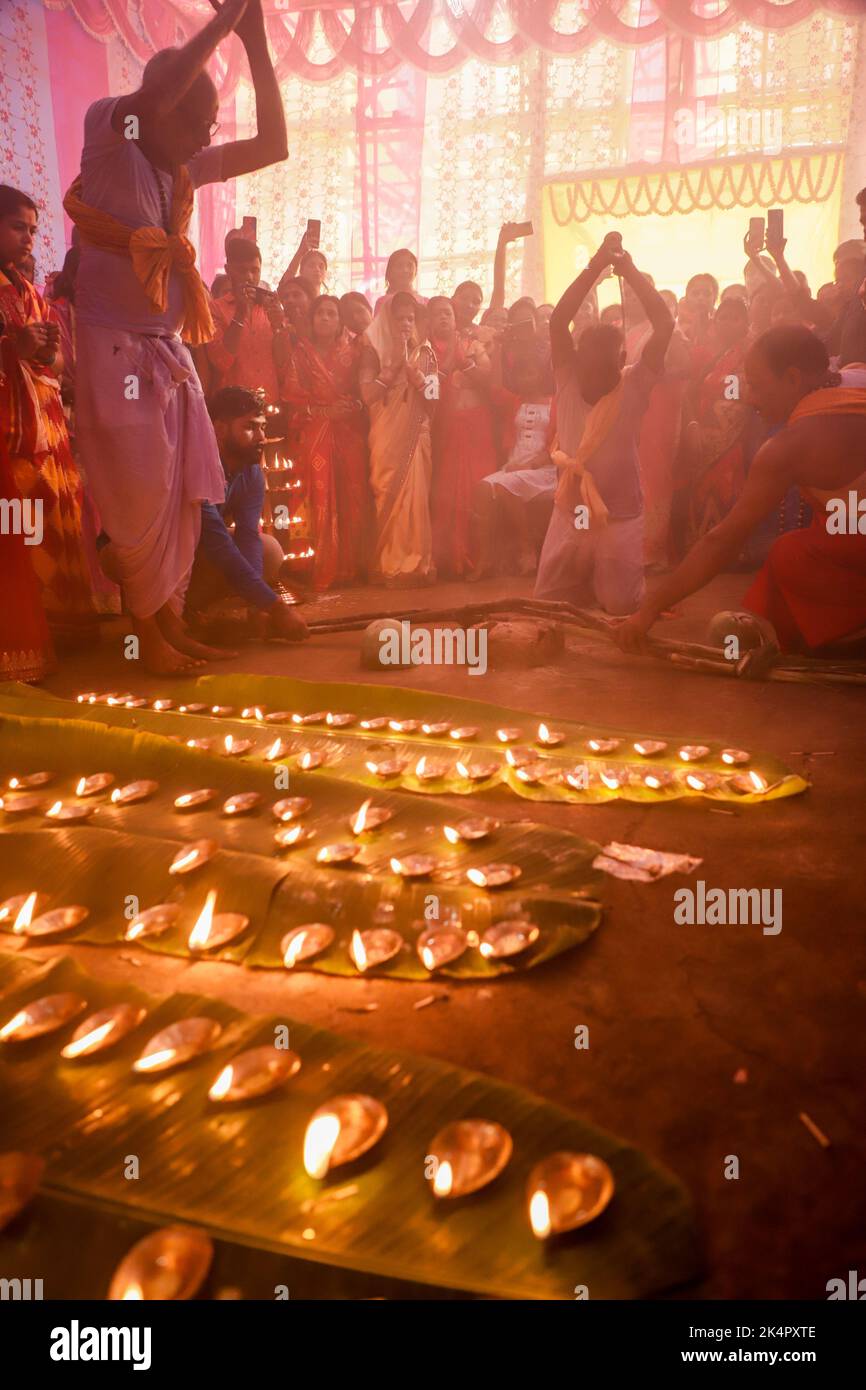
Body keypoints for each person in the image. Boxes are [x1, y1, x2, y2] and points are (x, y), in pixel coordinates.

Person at [67, 0, 289, 675]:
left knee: (178, 498)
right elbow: (158, 93)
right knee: (136, 504)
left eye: (209, 124)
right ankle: (149, 640)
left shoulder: (181, 171)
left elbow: (274, 145)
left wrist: (254, 41)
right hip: (114, 349)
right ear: (159, 110)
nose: (202, 135)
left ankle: (169, 625)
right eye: (193, 121)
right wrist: (221, 26)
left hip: (167, 352)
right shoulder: (112, 131)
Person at [615, 326, 866, 655]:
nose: (749, 398)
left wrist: (648, 610)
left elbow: (724, 540)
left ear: (792, 379)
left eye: (757, 386)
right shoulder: (855, 376)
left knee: (789, 554)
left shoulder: (787, 448)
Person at [534, 233, 673, 614]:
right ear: (576, 361)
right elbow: (560, 320)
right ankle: (584, 583)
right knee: (550, 604)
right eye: (588, 367)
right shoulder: (567, 374)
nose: (593, 376)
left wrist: (628, 270)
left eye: (604, 367)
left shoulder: (636, 381)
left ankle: (605, 586)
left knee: (620, 606)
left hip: (620, 510)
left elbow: (663, 323)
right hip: (572, 506)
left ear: (623, 359)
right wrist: (595, 267)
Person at [0, 185, 94, 646]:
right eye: (18, 227)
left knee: (56, 511)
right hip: (10, 430)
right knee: (16, 523)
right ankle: (25, 628)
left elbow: (53, 366)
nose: (29, 239)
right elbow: (14, 353)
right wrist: (14, 349)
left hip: (47, 421)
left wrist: (49, 353)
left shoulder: (29, 294)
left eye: (33, 230)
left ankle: (60, 624)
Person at [186, 386, 307, 639]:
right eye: (250, 427)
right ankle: (177, 613)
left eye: (262, 426)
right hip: (153, 550)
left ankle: (197, 609)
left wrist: (257, 606)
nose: (261, 437)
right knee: (214, 552)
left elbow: (248, 535)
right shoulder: (198, 464)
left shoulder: (251, 472)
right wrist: (277, 608)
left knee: (269, 549)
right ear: (219, 429)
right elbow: (217, 544)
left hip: (200, 546)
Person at [281, 294, 369, 590]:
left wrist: (353, 407)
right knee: (316, 496)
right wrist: (324, 412)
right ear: (312, 318)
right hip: (315, 433)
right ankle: (315, 564)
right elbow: (292, 399)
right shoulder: (301, 354)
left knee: (351, 495)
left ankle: (348, 566)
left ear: (340, 320)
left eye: (332, 313)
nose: (326, 318)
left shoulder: (356, 351)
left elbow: (366, 393)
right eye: (320, 313)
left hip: (349, 433)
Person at [359, 291, 437, 584]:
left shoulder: (425, 353)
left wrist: (418, 378)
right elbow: (367, 395)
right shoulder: (372, 350)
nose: (405, 324)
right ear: (386, 320)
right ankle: (389, 563)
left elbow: (435, 398)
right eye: (399, 318)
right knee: (386, 488)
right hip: (385, 433)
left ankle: (417, 564)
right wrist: (393, 367)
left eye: (410, 318)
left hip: (417, 432)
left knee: (417, 498)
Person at [427, 295, 496, 578]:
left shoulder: (473, 345)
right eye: (438, 314)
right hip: (446, 429)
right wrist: (449, 362)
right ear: (429, 321)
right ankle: (449, 561)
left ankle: (479, 560)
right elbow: (429, 392)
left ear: (456, 320)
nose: (444, 318)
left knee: (477, 491)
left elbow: (486, 378)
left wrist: (462, 359)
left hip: (477, 428)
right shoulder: (424, 349)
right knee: (447, 495)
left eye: (448, 314)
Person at [206, 237, 282, 402]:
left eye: (255, 270)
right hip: (233, 409)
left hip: (269, 404)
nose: (249, 277)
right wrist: (240, 312)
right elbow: (221, 362)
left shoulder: (269, 307)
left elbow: (284, 364)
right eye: (242, 270)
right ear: (228, 270)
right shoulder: (214, 309)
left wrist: (279, 328)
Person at [373, 249, 424, 316]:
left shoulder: (424, 302)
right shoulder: (382, 303)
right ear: (390, 271)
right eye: (399, 266)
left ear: (416, 271)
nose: (405, 270)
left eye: (410, 265)